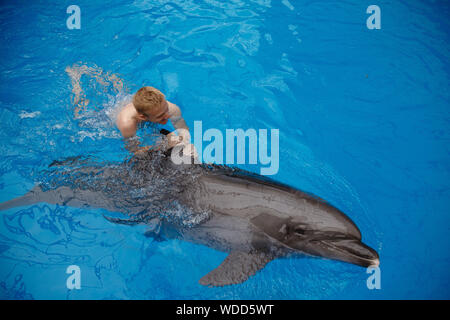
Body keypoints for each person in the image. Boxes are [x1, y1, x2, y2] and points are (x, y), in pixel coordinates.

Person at [116, 86, 194, 155]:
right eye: (160, 116)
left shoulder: (173, 109)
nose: (167, 115)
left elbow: (184, 132)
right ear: (143, 117)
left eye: (166, 109)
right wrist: (161, 146)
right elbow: (134, 151)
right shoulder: (127, 124)